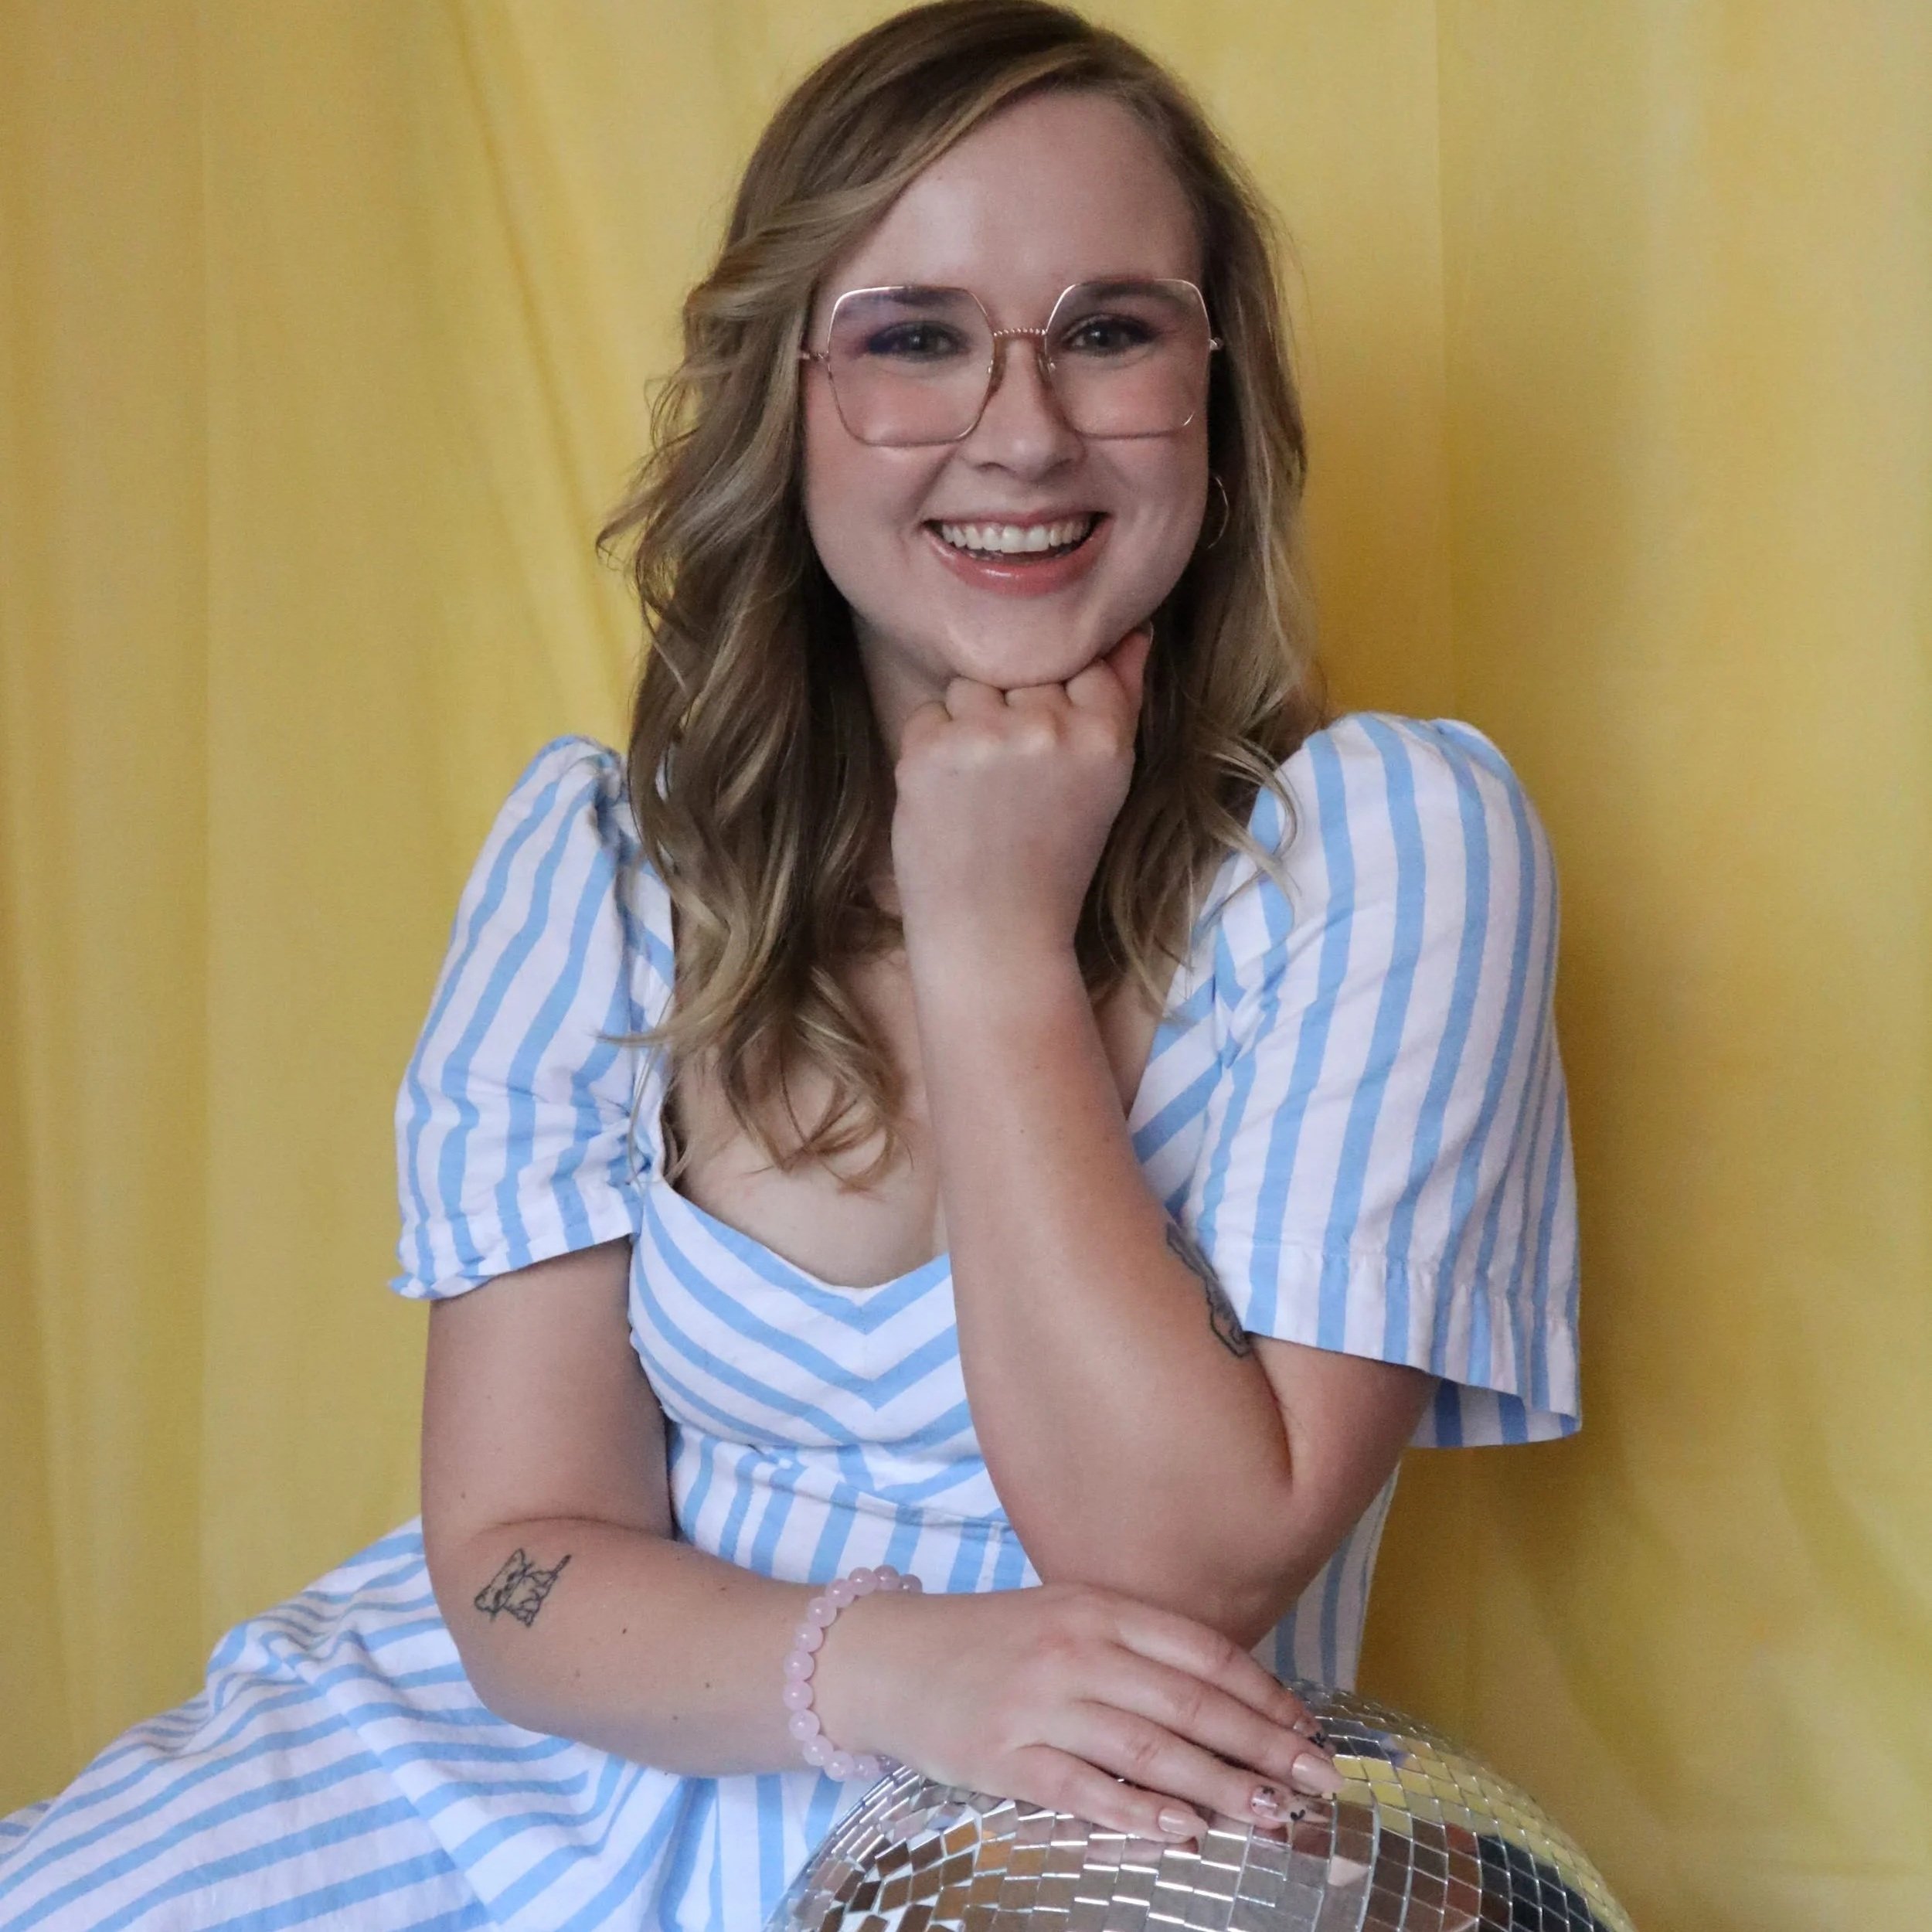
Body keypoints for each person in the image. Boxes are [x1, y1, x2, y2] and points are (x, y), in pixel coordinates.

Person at [0, 3, 1579, 1927]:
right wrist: (907, 1666)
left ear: (1217, 392)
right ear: (788, 400)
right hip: (475, 1786)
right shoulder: (608, 868)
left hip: (1038, 1867)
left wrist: (995, 938)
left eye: (1107, 329)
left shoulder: (1385, 850)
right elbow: (510, 1557)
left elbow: (1185, 1556)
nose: (1020, 427)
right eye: (914, 335)